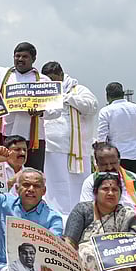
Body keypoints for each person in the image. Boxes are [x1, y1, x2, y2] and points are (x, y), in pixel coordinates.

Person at [0, 15, 58, 170]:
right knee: (5, 174)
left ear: (33, 59)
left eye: (25, 57)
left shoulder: (44, 80)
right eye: (17, 56)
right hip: (7, 135)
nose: (20, 59)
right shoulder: (3, 74)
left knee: (33, 175)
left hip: (34, 139)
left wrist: (41, 113)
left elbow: (57, 111)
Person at [41, 62, 99, 217]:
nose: (52, 84)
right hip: (51, 150)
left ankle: (81, 219)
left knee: (78, 188)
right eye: (48, 81)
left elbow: (92, 106)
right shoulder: (42, 91)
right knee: (54, 188)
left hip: (78, 151)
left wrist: (66, 98)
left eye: (54, 80)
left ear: (61, 75)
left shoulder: (78, 90)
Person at [96, 82, 136, 187]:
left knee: (119, 190)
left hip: (116, 159)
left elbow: (101, 139)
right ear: (123, 93)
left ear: (107, 96)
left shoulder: (106, 111)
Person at [79, 144, 136, 217]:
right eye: (104, 164)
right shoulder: (90, 181)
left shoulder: (133, 178)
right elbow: (86, 210)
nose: (109, 168)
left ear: (119, 160)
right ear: (97, 164)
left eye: (113, 163)